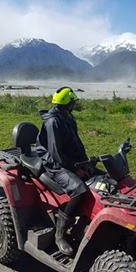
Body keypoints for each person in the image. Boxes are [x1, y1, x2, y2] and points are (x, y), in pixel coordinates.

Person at [37, 86, 91, 256]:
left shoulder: (67, 117)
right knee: (79, 190)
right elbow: (56, 154)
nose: (75, 103)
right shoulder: (53, 121)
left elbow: (77, 144)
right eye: (73, 101)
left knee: (99, 180)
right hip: (54, 163)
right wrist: (76, 168)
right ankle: (59, 235)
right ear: (66, 103)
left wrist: (86, 163)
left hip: (69, 159)